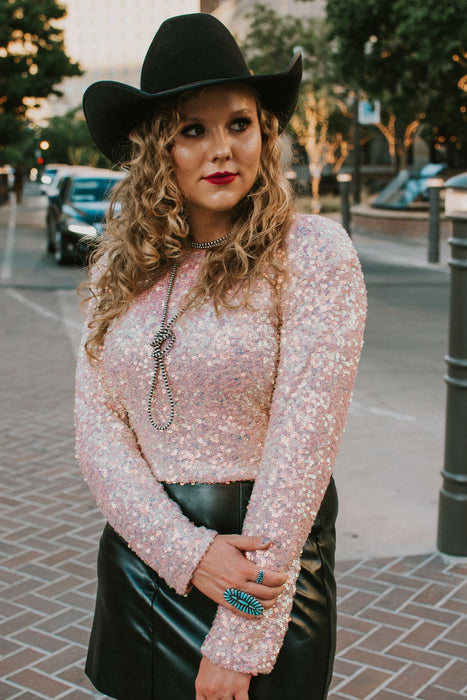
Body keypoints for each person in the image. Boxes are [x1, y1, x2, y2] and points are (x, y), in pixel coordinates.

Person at [76, 13, 367, 700]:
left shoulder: (312, 254)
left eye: (238, 123)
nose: (221, 150)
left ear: (264, 133)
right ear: (158, 150)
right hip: (144, 563)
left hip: (265, 574)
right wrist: (184, 552)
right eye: (191, 129)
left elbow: (301, 451)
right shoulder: (117, 270)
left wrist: (240, 636)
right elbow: (98, 433)